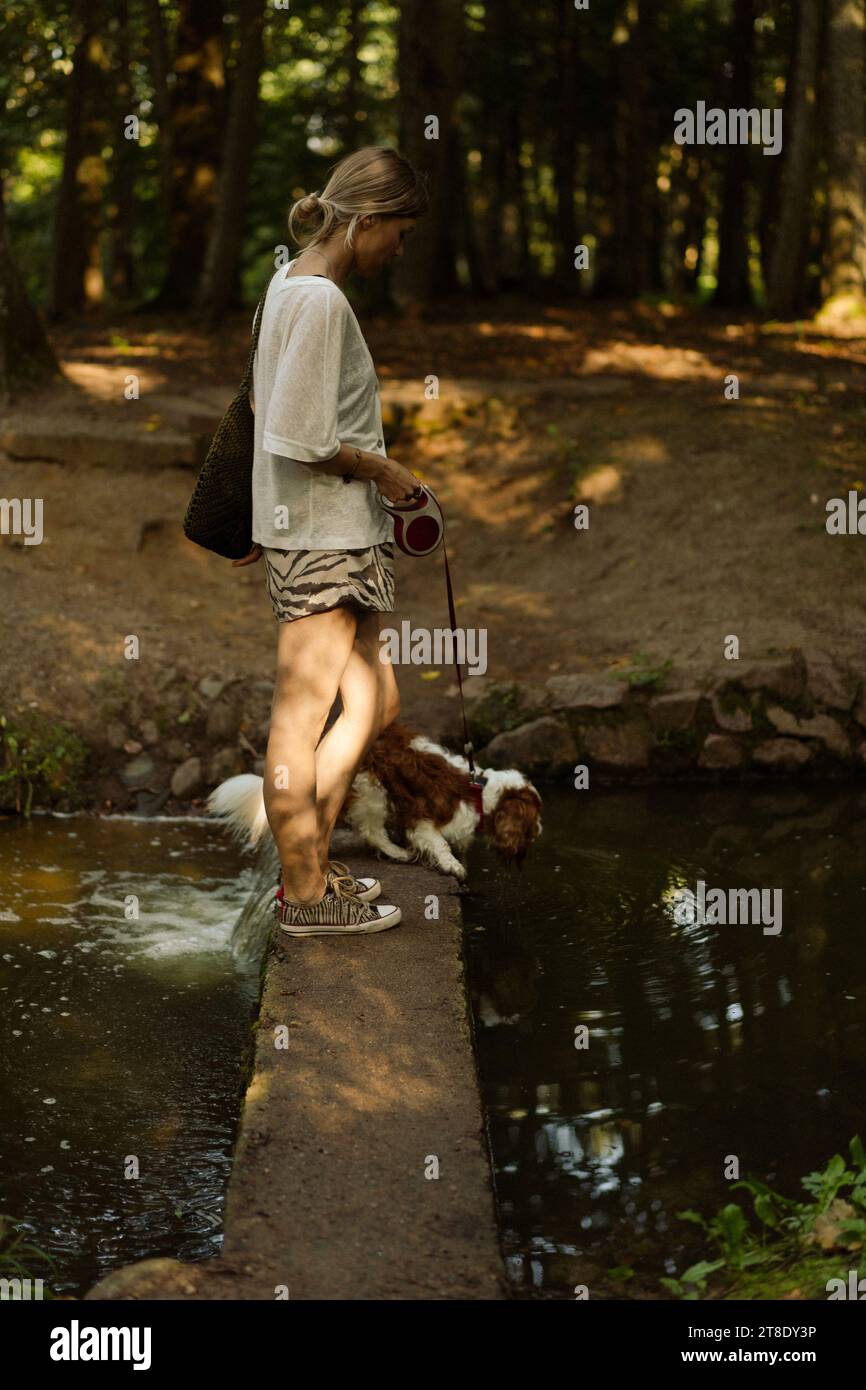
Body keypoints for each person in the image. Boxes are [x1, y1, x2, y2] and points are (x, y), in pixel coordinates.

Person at [233, 145, 429, 937]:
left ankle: (308, 864)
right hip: (321, 534)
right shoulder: (316, 301)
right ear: (369, 220)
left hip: (329, 531)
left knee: (376, 699)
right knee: (301, 714)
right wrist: (384, 470)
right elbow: (303, 436)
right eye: (400, 233)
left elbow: (263, 408)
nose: (401, 249)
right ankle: (306, 895)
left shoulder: (291, 285)